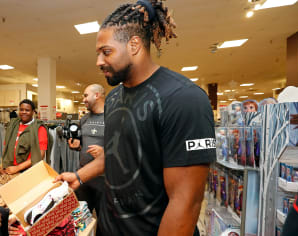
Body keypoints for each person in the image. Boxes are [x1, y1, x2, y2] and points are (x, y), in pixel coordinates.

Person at [56, 1, 216, 235]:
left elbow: (186, 203)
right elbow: (116, 152)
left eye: (106, 52)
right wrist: (80, 177)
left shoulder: (184, 99)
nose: (99, 61)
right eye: (98, 53)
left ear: (134, 45)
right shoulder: (113, 98)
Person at [68, 84, 105, 215]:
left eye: (85, 95)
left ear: (97, 95)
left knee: (105, 223)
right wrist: (77, 146)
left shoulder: (113, 118)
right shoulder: (84, 119)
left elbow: (122, 145)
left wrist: (104, 152)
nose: (83, 99)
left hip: (104, 180)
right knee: (79, 217)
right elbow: (81, 145)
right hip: (83, 176)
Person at [1, 99, 52, 175]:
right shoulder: (13, 125)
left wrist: (18, 168)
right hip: (10, 168)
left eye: (27, 110)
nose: (24, 112)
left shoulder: (40, 129)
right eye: (21, 110)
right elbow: (6, 147)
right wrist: (3, 165)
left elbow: (40, 155)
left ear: (33, 112)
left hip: (28, 171)